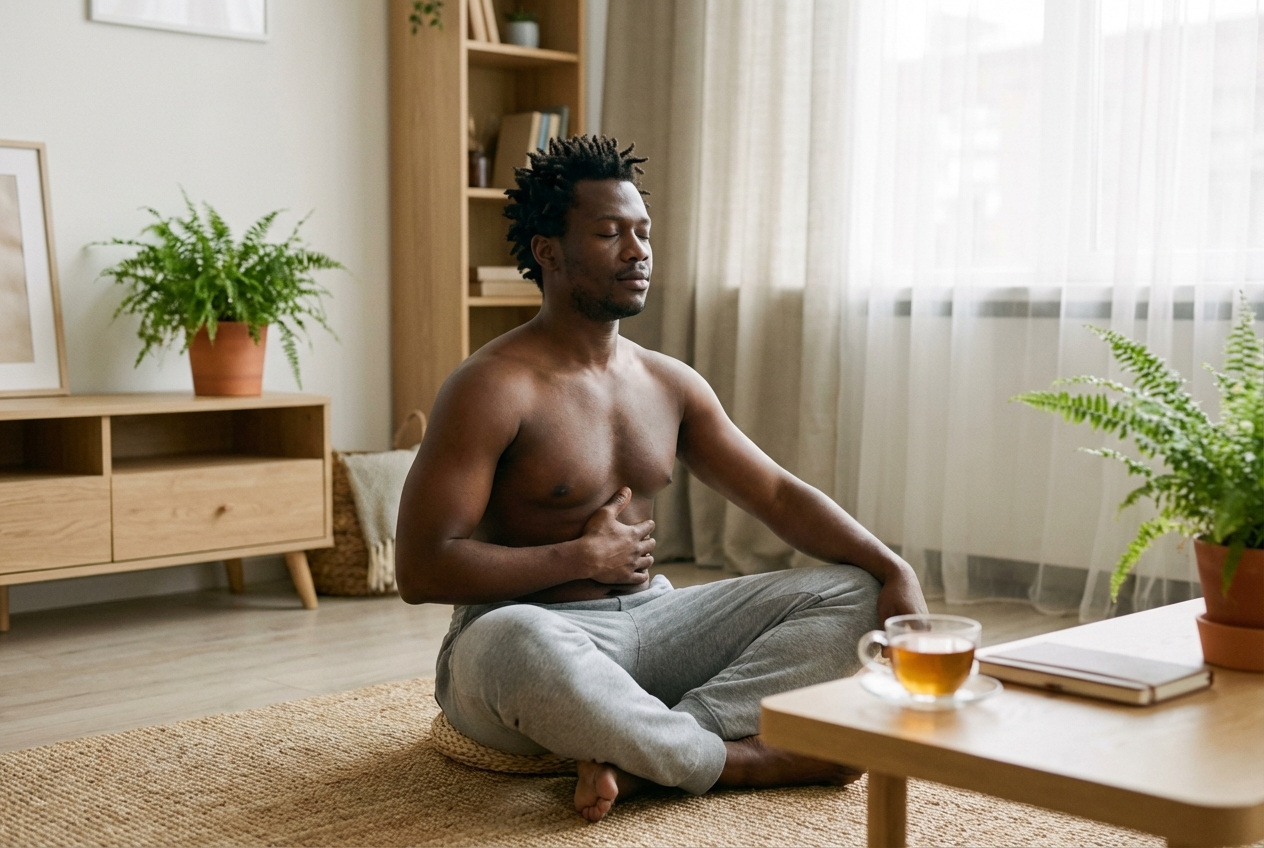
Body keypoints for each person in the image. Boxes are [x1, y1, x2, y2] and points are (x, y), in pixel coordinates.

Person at [395, 135, 927, 823]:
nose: (638, 251)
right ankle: (739, 760)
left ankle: (649, 750)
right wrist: (580, 558)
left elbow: (774, 493)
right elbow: (420, 569)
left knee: (853, 590)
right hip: (529, 636)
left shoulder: (668, 383)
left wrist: (891, 567)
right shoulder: (491, 387)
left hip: (655, 624)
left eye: (643, 232)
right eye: (610, 233)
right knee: (514, 643)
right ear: (548, 251)